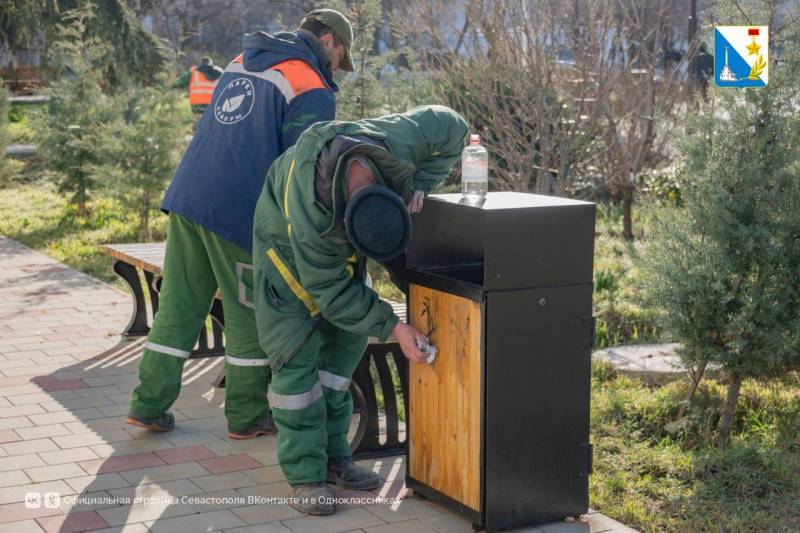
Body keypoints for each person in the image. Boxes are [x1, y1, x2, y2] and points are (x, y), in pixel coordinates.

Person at [126, 9, 355, 440]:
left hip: (190, 197)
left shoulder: (242, 60)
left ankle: (147, 404)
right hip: (239, 211)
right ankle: (247, 417)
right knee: (249, 313)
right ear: (327, 40)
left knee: (178, 305)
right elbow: (307, 170)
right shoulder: (309, 83)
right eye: (341, 54)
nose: (338, 66)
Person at [252, 104, 469, 514]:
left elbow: (453, 126)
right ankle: (306, 478)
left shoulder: (398, 145)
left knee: (341, 356)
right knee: (297, 368)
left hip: (338, 264)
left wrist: (419, 184)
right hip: (284, 262)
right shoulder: (314, 216)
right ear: (348, 229)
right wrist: (392, 326)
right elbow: (330, 293)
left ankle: (337, 460)